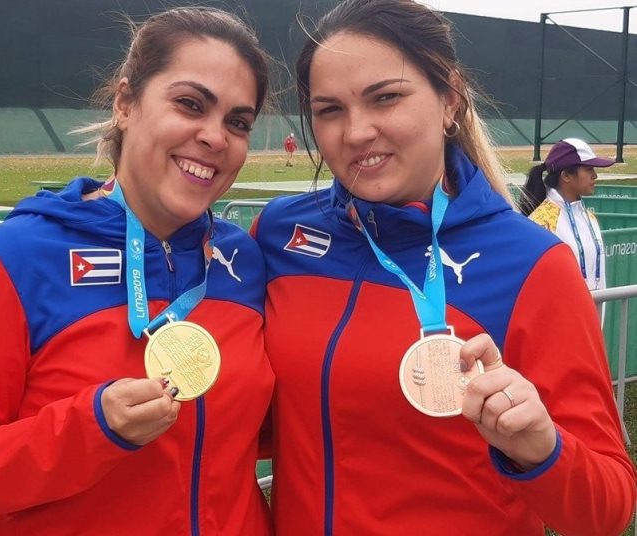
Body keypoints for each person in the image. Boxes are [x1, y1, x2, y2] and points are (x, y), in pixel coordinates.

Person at [252, 1, 636, 534]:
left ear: (449, 98)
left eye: (385, 97)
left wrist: (541, 449)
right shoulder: (278, 234)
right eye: (330, 109)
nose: (357, 131)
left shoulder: (532, 263)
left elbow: (607, 510)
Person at [0, 7, 274, 535]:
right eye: (189, 104)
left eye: (238, 122)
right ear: (125, 103)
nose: (215, 137)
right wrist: (88, 430)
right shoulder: (16, 259)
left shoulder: (243, 260)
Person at [521, 138, 613, 291]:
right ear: (566, 176)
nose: (595, 176)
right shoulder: (541, 222)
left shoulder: (590, 218)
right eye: (589, 169)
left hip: (592, 314)